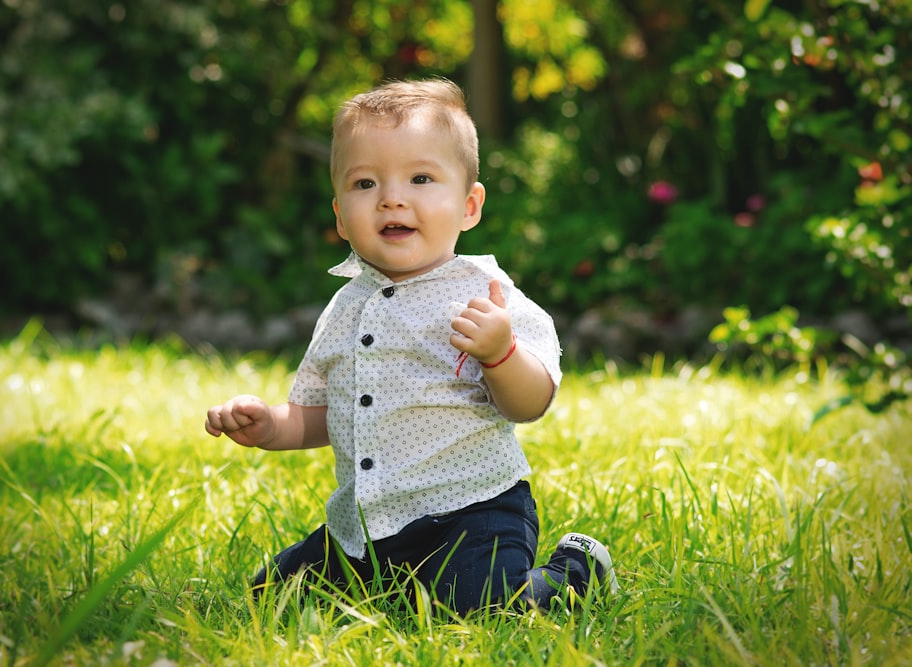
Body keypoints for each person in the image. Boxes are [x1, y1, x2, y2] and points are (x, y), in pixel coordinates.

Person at [205, 78, 618, 614]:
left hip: (473, 513)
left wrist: (501, 354)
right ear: (339, 216)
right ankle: (387, 582)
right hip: (366, 529)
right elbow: (325, 416)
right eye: (365, 184)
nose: (391, 198)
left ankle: (575, 571)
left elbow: (530, 403)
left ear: (469, 206)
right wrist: (271, 426)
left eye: (420, 178)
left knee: (481, 608)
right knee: (270, 600)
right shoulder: (344, 309)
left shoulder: (487, 295)